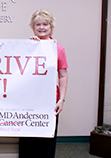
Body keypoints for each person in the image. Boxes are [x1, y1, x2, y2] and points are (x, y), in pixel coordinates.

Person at [19, 9, 68, 158]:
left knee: (46, 140)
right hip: (29, 100)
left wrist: (61, 99)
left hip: (50, 100)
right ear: (33, 27)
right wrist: (29, 47)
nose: (41, 27)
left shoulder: (58, 48)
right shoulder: (28, 45)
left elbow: (63, 75)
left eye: (45, 24)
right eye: (38, 24)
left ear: (51, 26)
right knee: (28, 139)